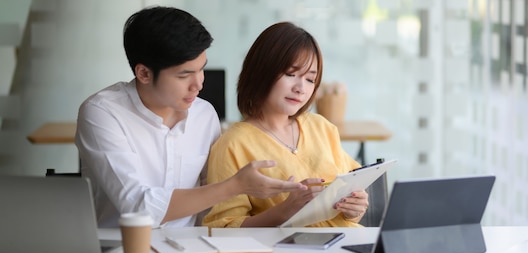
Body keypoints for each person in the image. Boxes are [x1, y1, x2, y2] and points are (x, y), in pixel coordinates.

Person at [74, 7, 305, 228]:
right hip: (122, 249)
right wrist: (234, 186)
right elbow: (138, 208)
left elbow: (213, 205)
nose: (199, 84)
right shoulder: (102, 112)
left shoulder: (204, 114)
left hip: (193, 248)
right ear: (143, 73)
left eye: (201, 68)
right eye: (184, 75)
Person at [202, 22, 368, 228]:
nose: (300, 88)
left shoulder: (321, 127)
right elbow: (223, 229)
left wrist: (355, 208)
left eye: (310, 79)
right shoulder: (232, 144)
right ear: (262, 71)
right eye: (291, 74)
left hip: (346, 247)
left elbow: (353, 191)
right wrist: (284, 211)